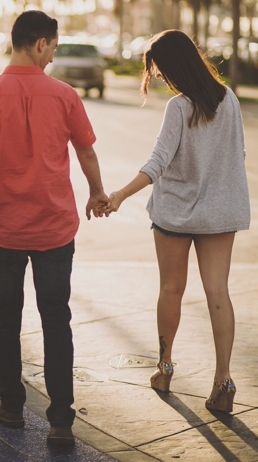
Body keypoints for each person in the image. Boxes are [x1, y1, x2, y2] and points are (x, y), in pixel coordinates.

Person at [0, 10, 107, 446]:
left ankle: (11, 406)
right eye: (54, 47)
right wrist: (97, 192)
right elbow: (87, 153)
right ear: (40, 43)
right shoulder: (64, 95)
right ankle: (61, 420)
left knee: (5, 318)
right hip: (55, 230)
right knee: (56, 320)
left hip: (4, 228)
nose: (54, 56)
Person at [103, 30, 249, 413]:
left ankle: (165, 368)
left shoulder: (179, 107)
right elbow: (239, 154)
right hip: (221, 214)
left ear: (175, 67)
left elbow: (158, 162)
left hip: (176, 212)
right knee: (218, 292)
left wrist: (119, 195)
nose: (162, 78)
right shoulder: (229, 99)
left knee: (171, 289)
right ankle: (224, 379)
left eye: (161, 70)